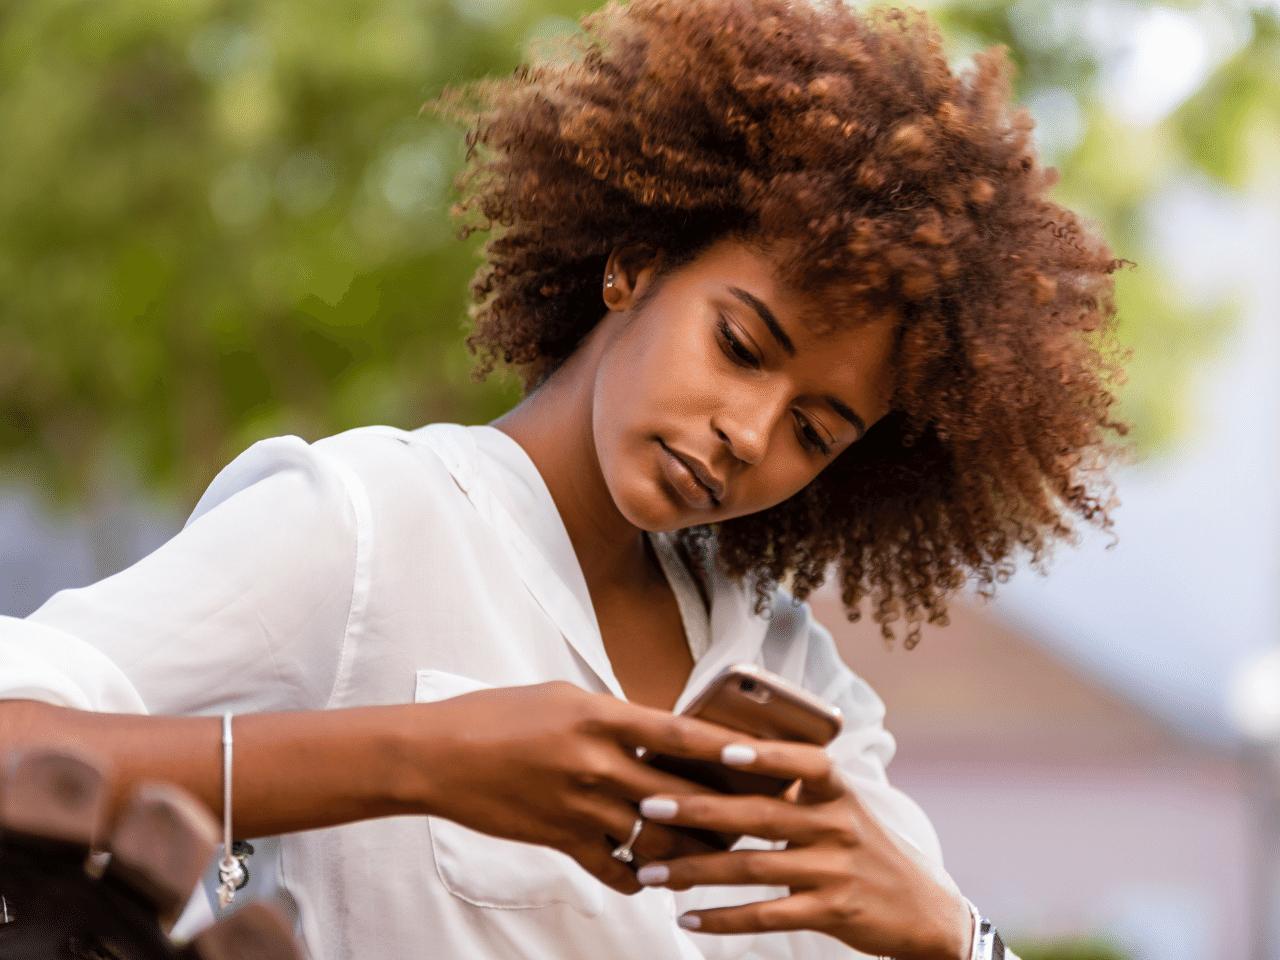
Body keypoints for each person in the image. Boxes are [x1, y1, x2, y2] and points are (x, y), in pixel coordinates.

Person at [0, 1, 1126, 959]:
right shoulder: (370, 522)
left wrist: (945, 930)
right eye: (739, 345)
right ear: (633, 261)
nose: (747, 432)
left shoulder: (790, 680)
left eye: (816, 431)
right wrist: (419, 758)